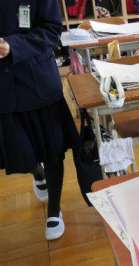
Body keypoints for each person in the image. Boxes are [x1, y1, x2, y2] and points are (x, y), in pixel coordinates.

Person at [0, 0, 79, 240]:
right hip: (4, 89)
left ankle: (54, 209)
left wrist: (12, 46)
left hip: (38, 83)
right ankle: (36, 171)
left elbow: (52, 29)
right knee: (19, 151)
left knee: (52, 149)